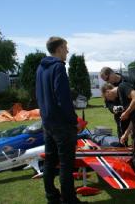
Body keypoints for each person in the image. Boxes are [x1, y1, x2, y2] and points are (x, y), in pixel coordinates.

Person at [36, 37, 87, 204]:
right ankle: (69, 200)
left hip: (48, 123)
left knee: (50, 161)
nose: (67, 51)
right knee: (66, 164)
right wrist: (75, 121)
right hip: (62, 125)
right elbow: (63, 99)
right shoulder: (58, 67)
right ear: (58, 49)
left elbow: (39, 96)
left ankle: (52, 197)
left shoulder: (40, 68)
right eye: (65, 47)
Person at [100, 67, 135, 143]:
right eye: (105, 80)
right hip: (120, 117)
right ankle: (125, 152)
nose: (107, 82)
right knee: (122, 139)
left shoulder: (129, 81)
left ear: (112, 73)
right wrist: (113, 108)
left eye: (107, 79)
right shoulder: (109, 86)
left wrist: (129, 107)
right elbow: (108, 102)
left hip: (134, 114)